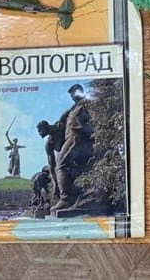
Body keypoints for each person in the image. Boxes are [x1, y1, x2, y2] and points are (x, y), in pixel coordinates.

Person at [51, 84, 94, 212]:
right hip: (70, 138)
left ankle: (65, 199)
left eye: (73, 94)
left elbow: (94, 122)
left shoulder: (86, 104)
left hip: (76, 138)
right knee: (70, 168)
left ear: (79, 92)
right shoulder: (74, 108)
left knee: (60, 166)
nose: (72, 97)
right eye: (71, 96)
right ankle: (73, 197)